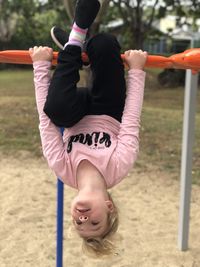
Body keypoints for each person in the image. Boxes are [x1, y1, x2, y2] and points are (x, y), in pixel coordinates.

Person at [29, 0, 147, 257]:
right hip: (109, 110)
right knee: (104, 44)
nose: (83, 219)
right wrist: (137, 71)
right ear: (109, 207)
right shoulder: (119, 166)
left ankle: (76, 37)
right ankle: (82, 42)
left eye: (79, 224)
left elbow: (46, 124)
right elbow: (131, 121)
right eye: (95, 222)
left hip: (74, 111)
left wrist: (40, 66)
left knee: (56, 111)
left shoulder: (63, 170)